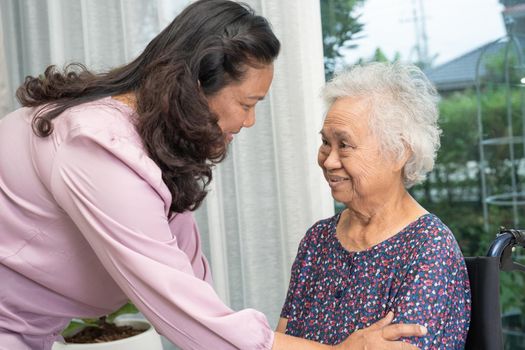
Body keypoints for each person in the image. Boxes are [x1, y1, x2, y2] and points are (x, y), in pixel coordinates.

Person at [0, 1, 427, 349]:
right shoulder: (97, 149)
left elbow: (195, 291)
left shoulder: (151, 150)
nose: (250, 121)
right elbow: (186, 314)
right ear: (195, 87)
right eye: (246, 104)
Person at [276, 62, 471, 349]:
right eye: (325, 143)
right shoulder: (317, 240)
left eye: (344, 145)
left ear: (398, 152)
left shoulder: (428, 248)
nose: (328, 160)